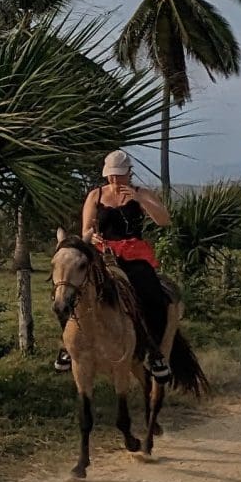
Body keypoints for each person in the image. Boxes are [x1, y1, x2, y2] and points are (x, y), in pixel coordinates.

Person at [82, 149, 174, 380]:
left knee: (151, 294)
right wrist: (91, 236)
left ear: (129, 174)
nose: (114, 180)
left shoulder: (142, 193)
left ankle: (155, 352)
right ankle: (69, 345)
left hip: (133, 254)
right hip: (104, 253)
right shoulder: (95, 196)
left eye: (119, 175)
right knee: (73, 289)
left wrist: (139, 199)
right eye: (111, 175)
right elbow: (85, 230)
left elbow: (164, 220)